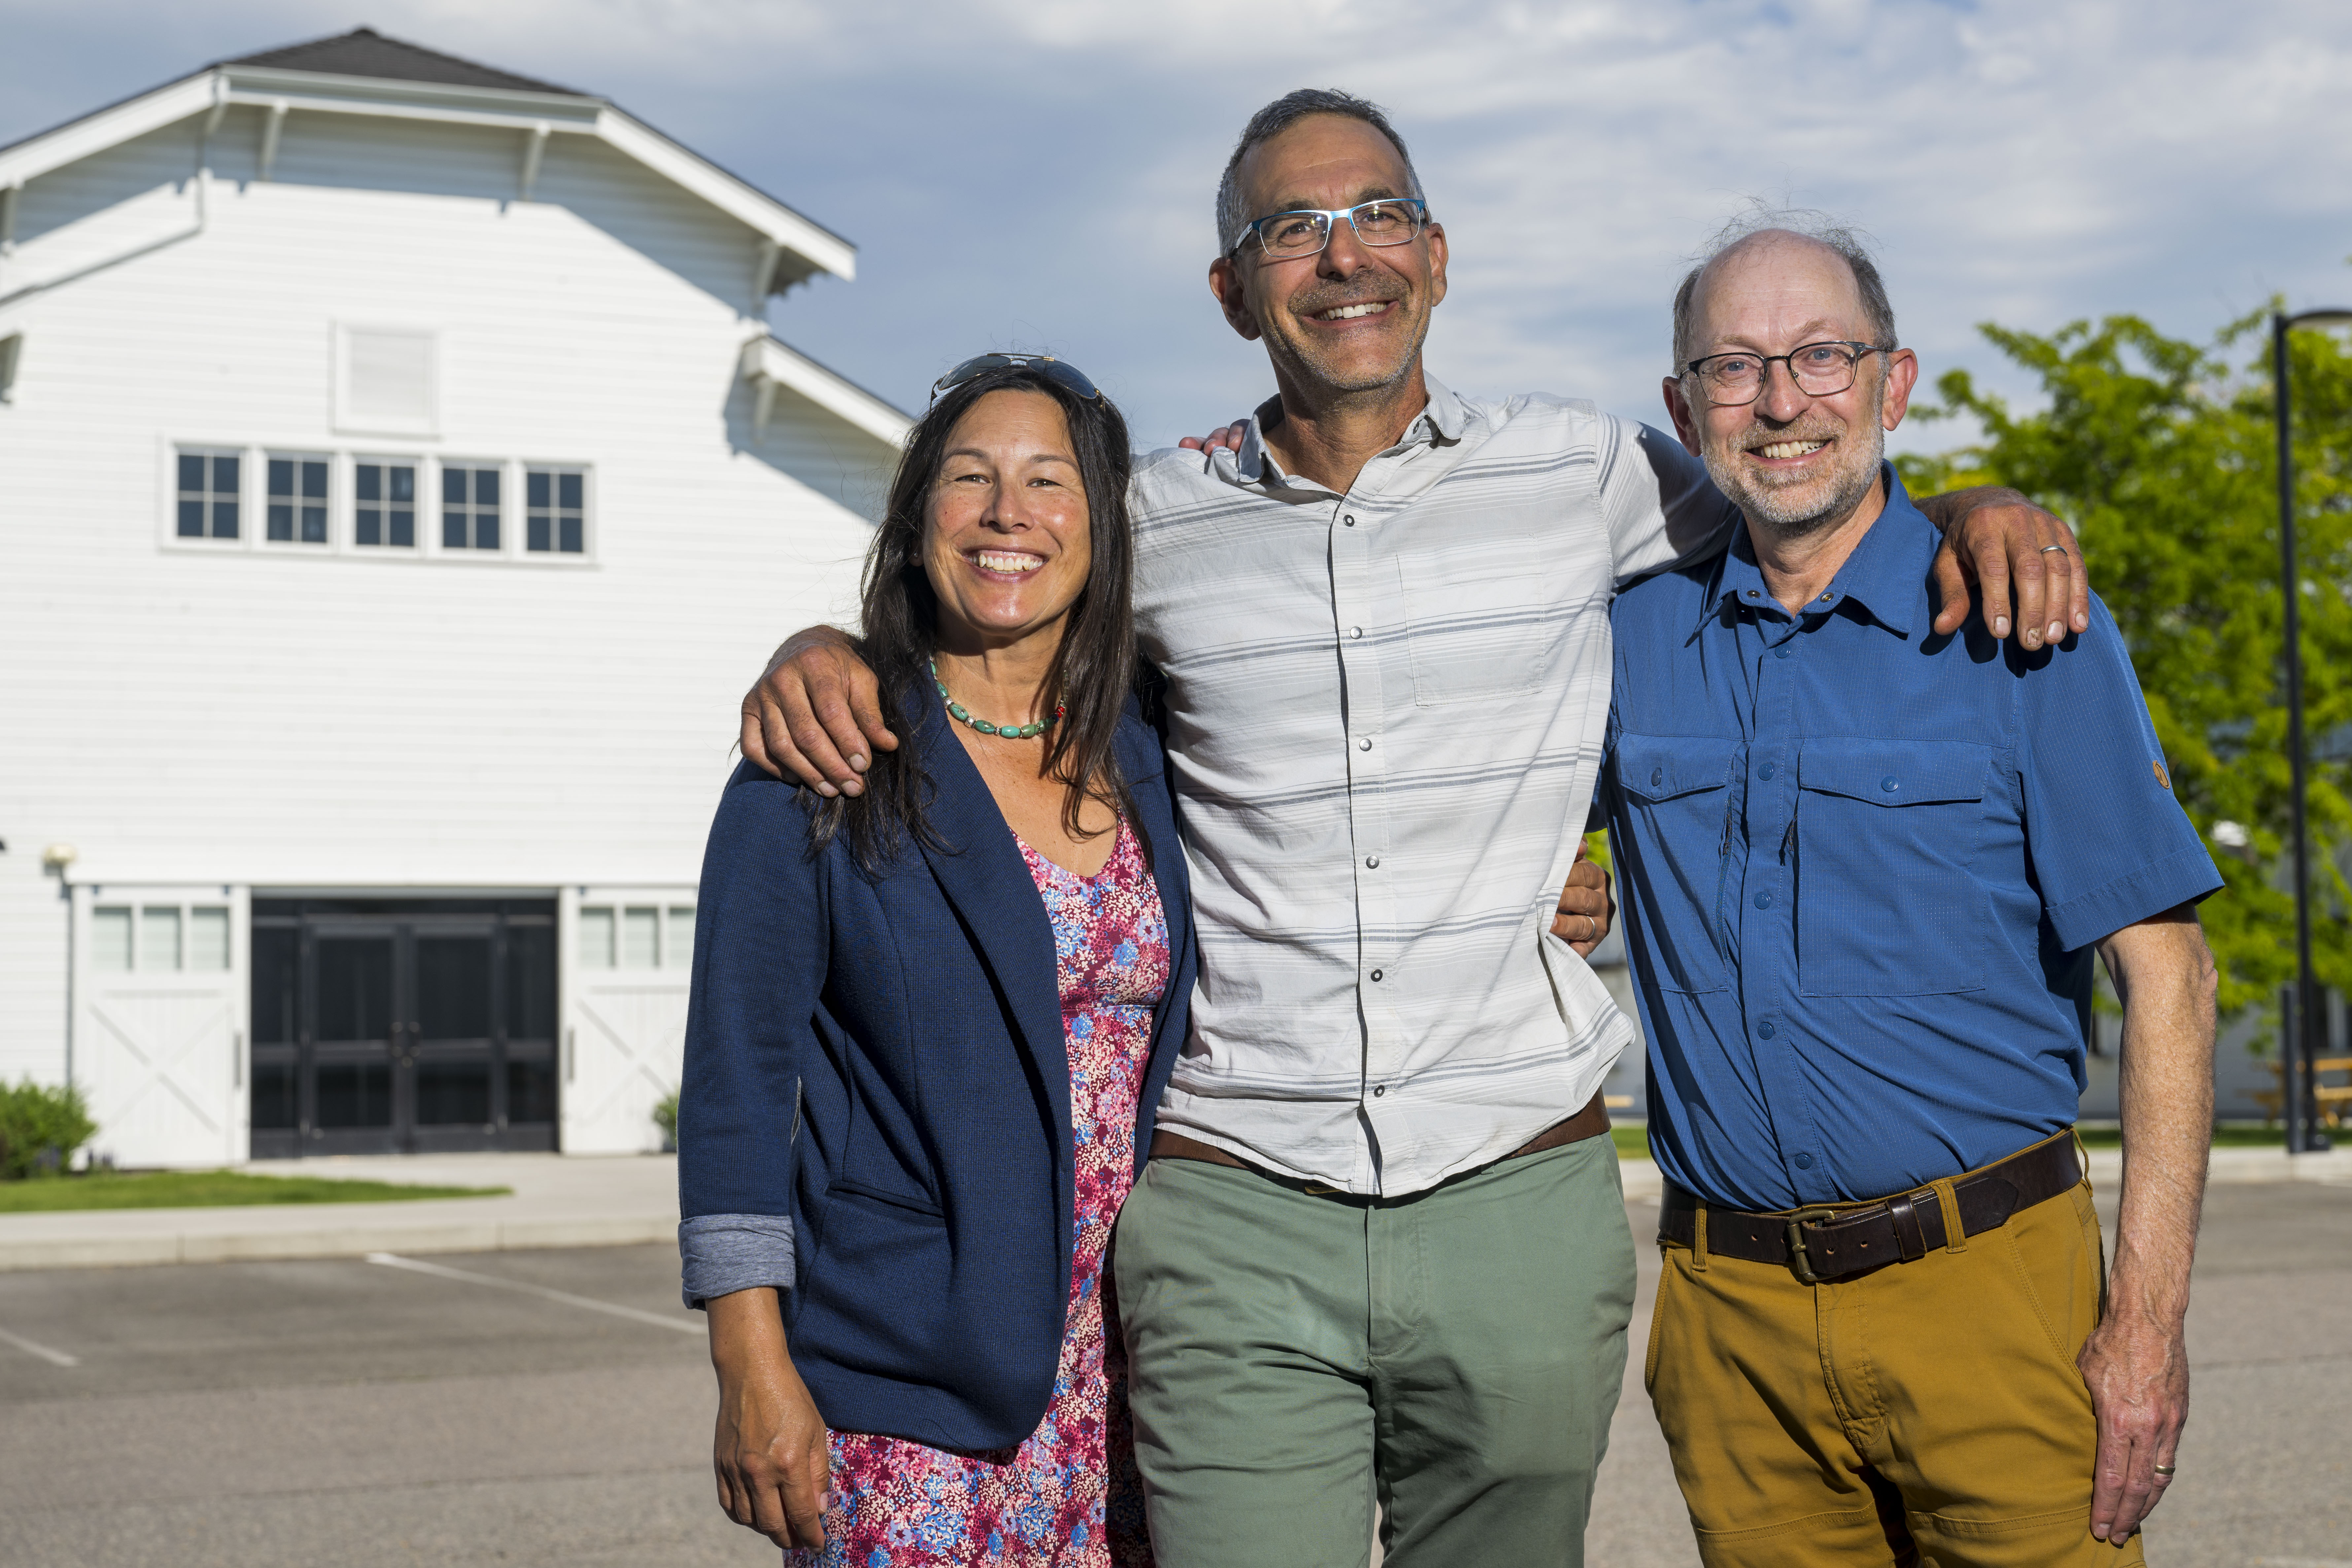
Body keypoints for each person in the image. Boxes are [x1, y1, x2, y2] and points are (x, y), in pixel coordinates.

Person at [741, 92, 2085, 1568]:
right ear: (1231, 291)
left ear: (1435, 256)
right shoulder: (1151, 522)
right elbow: (987, 610)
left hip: (1516, 1183)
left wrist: (1974, 502)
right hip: (1238, 1203)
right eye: (1290, 231)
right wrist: (830, 643)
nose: (1343, 257)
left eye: (1378, 215)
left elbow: (1810, 496)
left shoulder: (1590, 475)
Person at [1606, 212, 2221, 1567]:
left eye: (1822, 356)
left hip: (1995, 1297)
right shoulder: (1625, 633)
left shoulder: (2021, 623)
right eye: (1732, 367)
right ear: (1678, 406)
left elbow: (2167, 978)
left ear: (1894, 383)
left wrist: (2143, 1323)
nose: (1779, 402)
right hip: (1729, 1330)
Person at [677, 356, 1197, 1568]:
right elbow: (736, 1088)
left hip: (1148, 1374)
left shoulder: (1161, 746)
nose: (1008, 513)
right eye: (969, 479)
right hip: (914, 1383)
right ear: (918, 522)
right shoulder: (822, 754)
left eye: (1047, 481)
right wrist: (750, 1364)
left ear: (1102, 528)